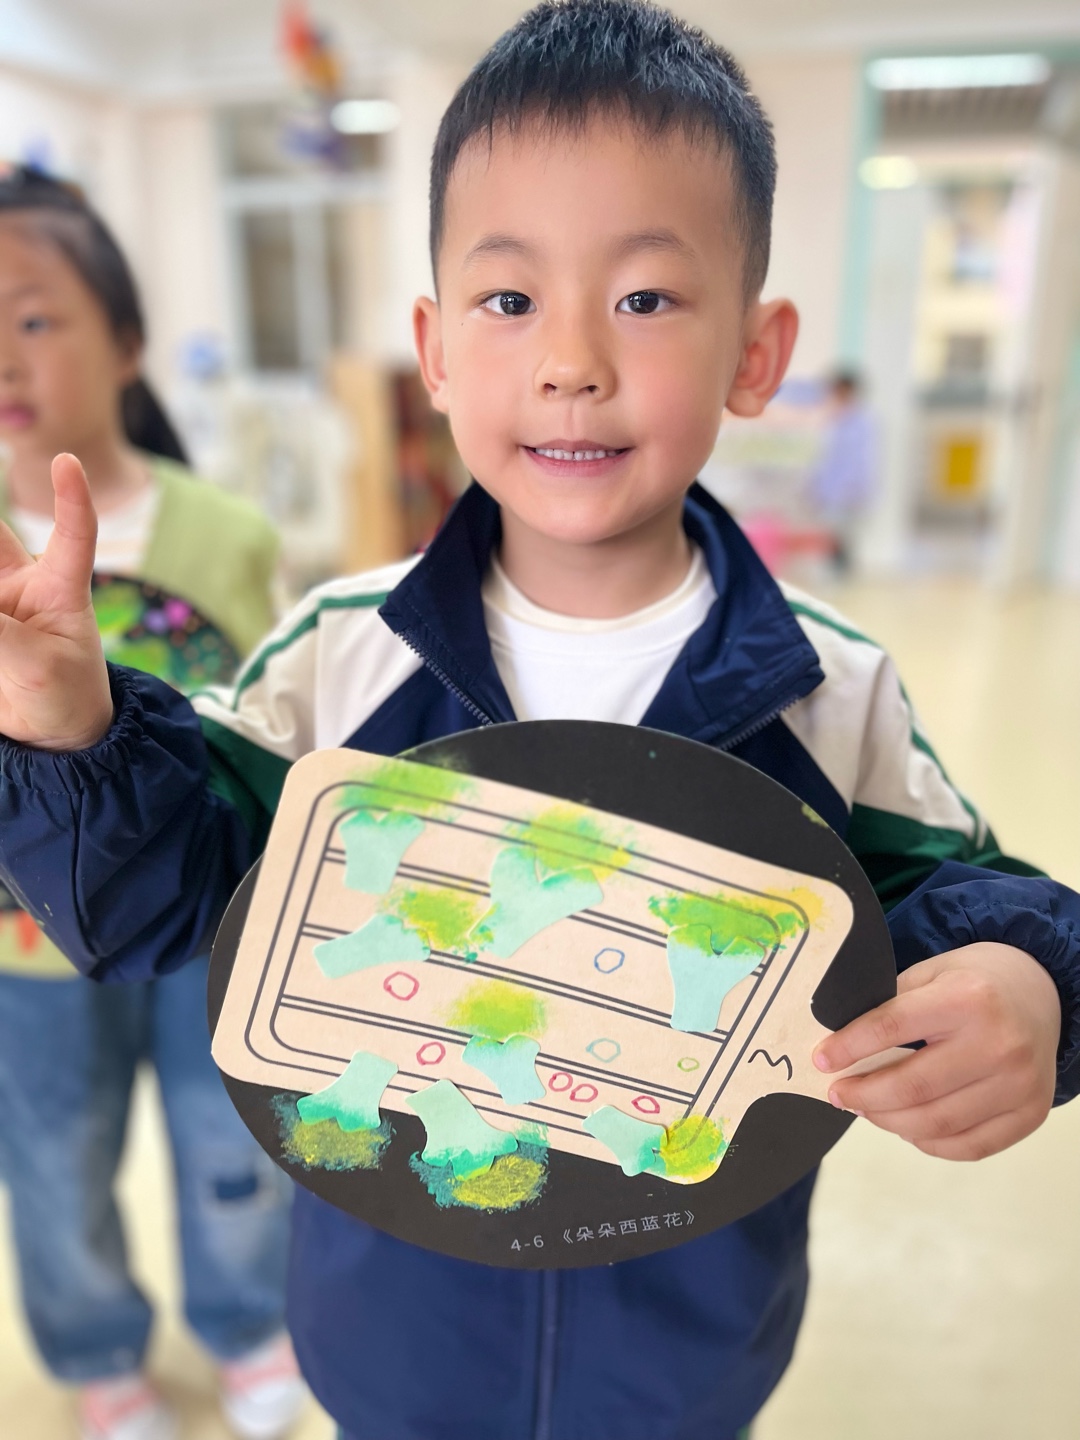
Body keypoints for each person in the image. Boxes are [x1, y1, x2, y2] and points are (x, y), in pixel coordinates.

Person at [0, 7, 1076, 1438]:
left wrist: (1033, 989)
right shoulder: (343, 654)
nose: (570, 359)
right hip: (393, 1346)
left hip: (684, 1367)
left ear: (756, 353)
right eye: (509, 300)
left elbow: (972, 908)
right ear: (436, 351)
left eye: (646, 298)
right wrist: (68, 734)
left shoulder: (829, 685)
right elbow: (157, 899)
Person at [0, 167, 307, 1440]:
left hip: (210, 927)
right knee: (52, 1158)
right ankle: (96, 1350)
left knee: (229, 1132)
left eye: (33, 316)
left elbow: (275, 725)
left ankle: (246, 1322)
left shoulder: (227, 535)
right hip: (19, 950)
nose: (3, 355)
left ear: (126, 340)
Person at [809, 367, 877, 572]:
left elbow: (864, 458)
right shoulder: (831, 417)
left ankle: (843, 570)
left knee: (844, 534)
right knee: (830, 533)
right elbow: (822, 457)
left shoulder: (863, 420)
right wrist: (815, 486)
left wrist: (858, 487)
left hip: (850, 490)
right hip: (829, 489)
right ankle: (836, 568)